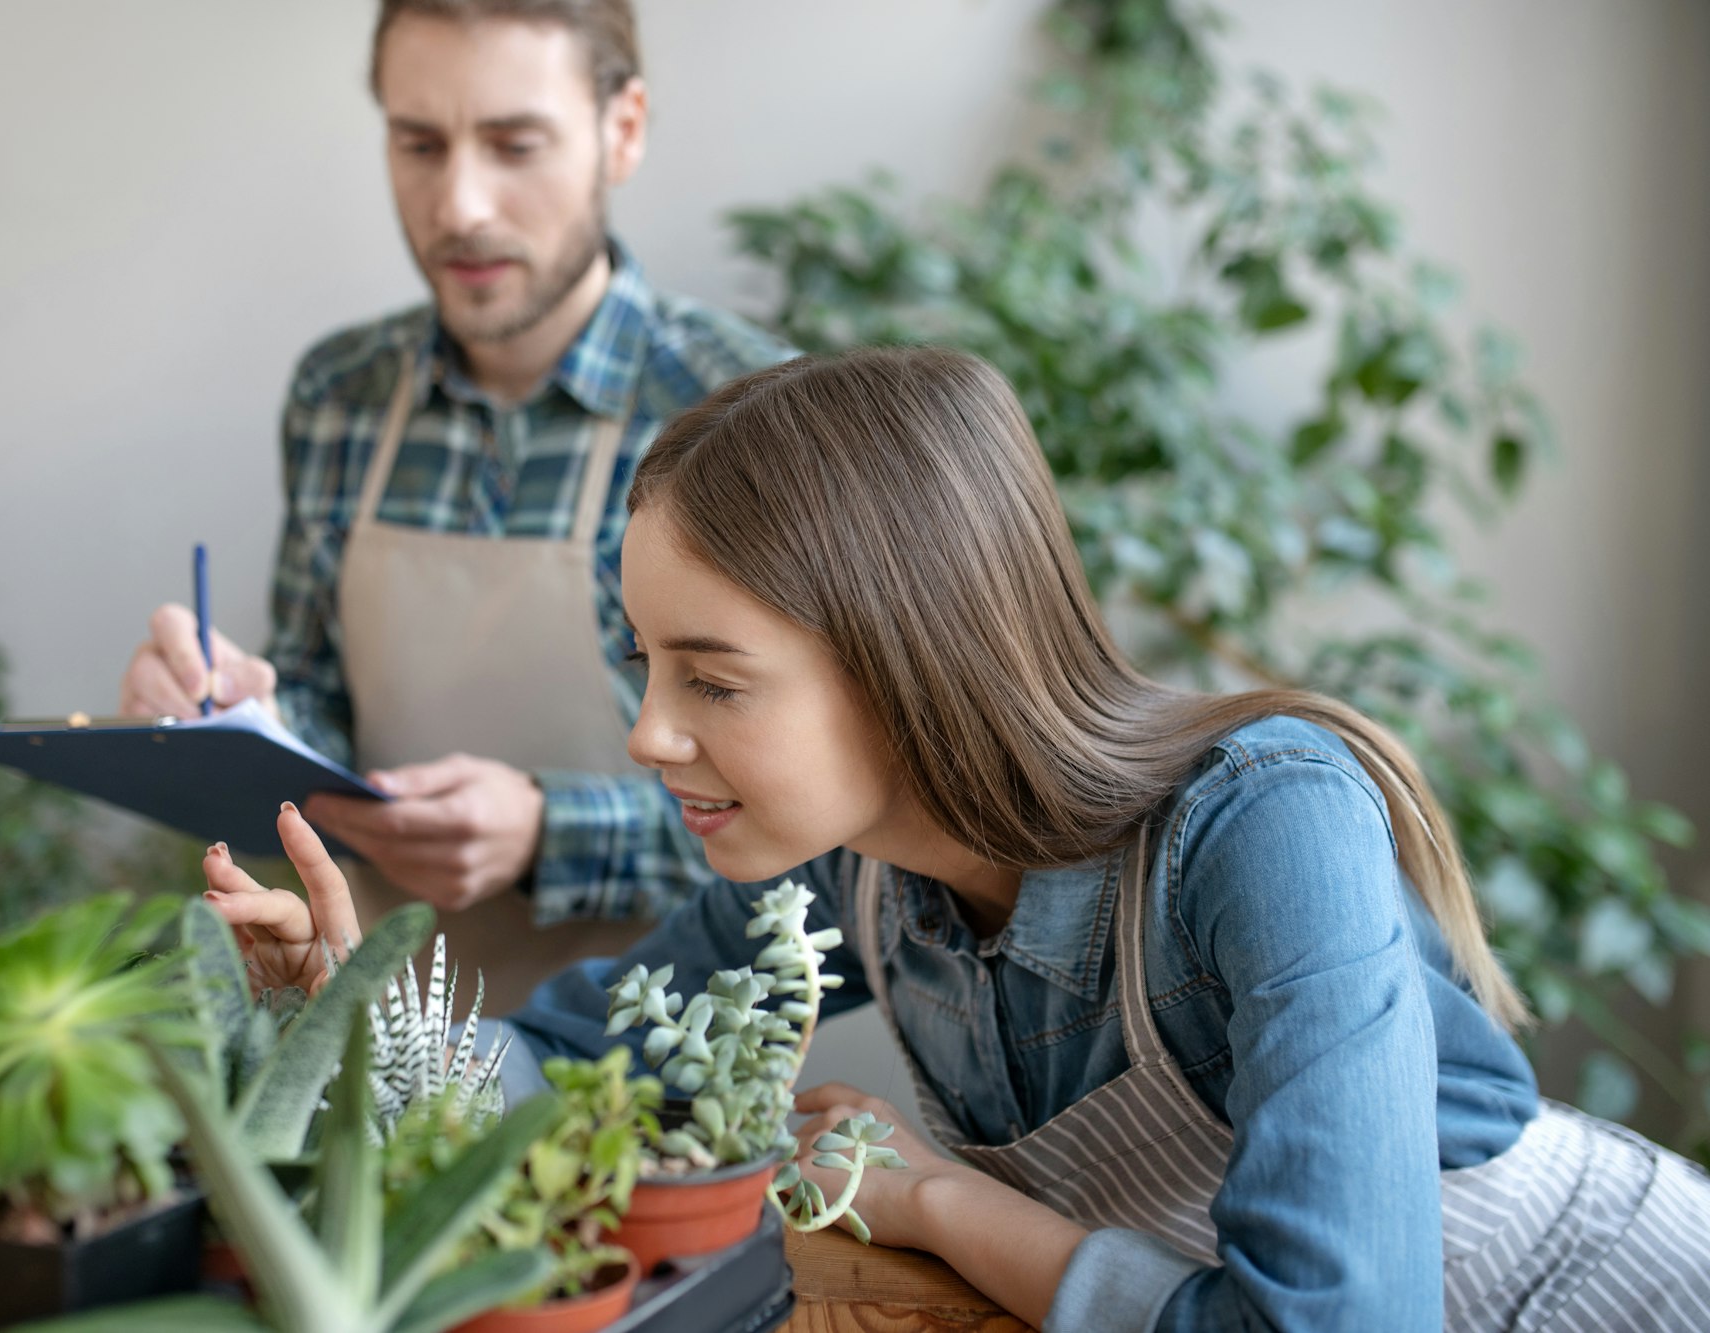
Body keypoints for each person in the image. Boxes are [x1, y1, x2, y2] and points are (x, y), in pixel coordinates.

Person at [200, 346, 1710, 1329]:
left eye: (714, 679)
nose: (651, 736)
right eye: (649, 668)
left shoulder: (1267, 824)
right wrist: (361, 1013)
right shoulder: (837, 876)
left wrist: (948, 1206)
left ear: (912, 660)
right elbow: (575, 1072)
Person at [118, 0, 790, 997]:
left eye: (514, 144)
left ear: (623, 129)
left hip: (677, 1062)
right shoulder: (339, 395)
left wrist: (544, 833)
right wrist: (230, 724)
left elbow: (818, 816)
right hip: (382, 1042)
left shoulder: (750, 410)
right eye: (419, 143)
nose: (460, 204)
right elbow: (318, 704)